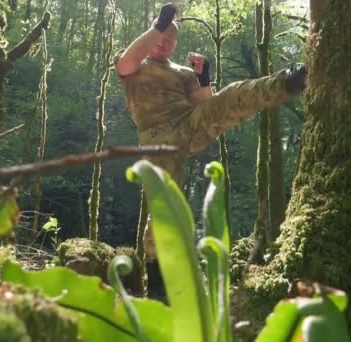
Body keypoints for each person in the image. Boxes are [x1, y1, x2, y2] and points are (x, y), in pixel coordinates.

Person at [114, 3, 307, 301]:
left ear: (176, 43)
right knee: (166, 201)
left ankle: (288, 81)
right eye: (160, 34)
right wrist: (162, 22)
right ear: (152, 32)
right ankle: (156, 277)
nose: (164, 40)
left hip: (190, 125)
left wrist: (204, 76)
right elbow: (125, 63)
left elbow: (207, 104)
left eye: (170, 37)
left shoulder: (180, 72)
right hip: (157, 137)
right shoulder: (137, 64)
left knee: (230, 97)